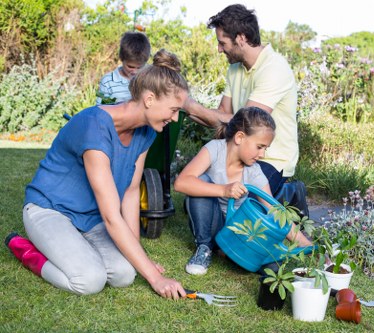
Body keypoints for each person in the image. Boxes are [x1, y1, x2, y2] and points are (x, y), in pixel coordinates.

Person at [5, 49, 188, 299]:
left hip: (90, 219)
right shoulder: (95, 126)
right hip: (49, 209)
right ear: (149, 99)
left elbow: (132, 192)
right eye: (174, 109)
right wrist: (154, 277)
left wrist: (138, 256)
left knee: (125, 275)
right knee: (90, 280)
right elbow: (112, 216)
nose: (175, 117)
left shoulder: (147, 133)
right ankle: (24, 249)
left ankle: (75, 245)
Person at [174, 106, 312, 275]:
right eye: (259, 146)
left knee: (271, 266)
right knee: (200, 182)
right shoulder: (215, 149)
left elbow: (275, 211)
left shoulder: (253, 171)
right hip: (211, 223)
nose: (262, 154)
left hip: (238, 232)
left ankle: (227, 252)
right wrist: (224, 190)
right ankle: (204, 248)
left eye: (265, 149)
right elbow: (181, 183)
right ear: (240, 137)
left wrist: (305, 244)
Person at [182, 4, 299, 197]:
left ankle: (292, 193)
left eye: (222, 43)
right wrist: (183, 106)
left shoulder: (274, 68)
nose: (219, 49)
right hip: (238, 151)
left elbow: (246, 125)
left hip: (269, 158)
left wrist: (191, 106)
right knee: (200, 191)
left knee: (243, 202)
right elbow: (222, 114)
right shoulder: (235, 68)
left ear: (241, 38)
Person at [96, 31, 151, 105]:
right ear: (122, 59)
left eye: (139, 67)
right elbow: (102, 110)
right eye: (130, 66)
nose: (134, 71)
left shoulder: (150, 78)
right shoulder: (107, 81)